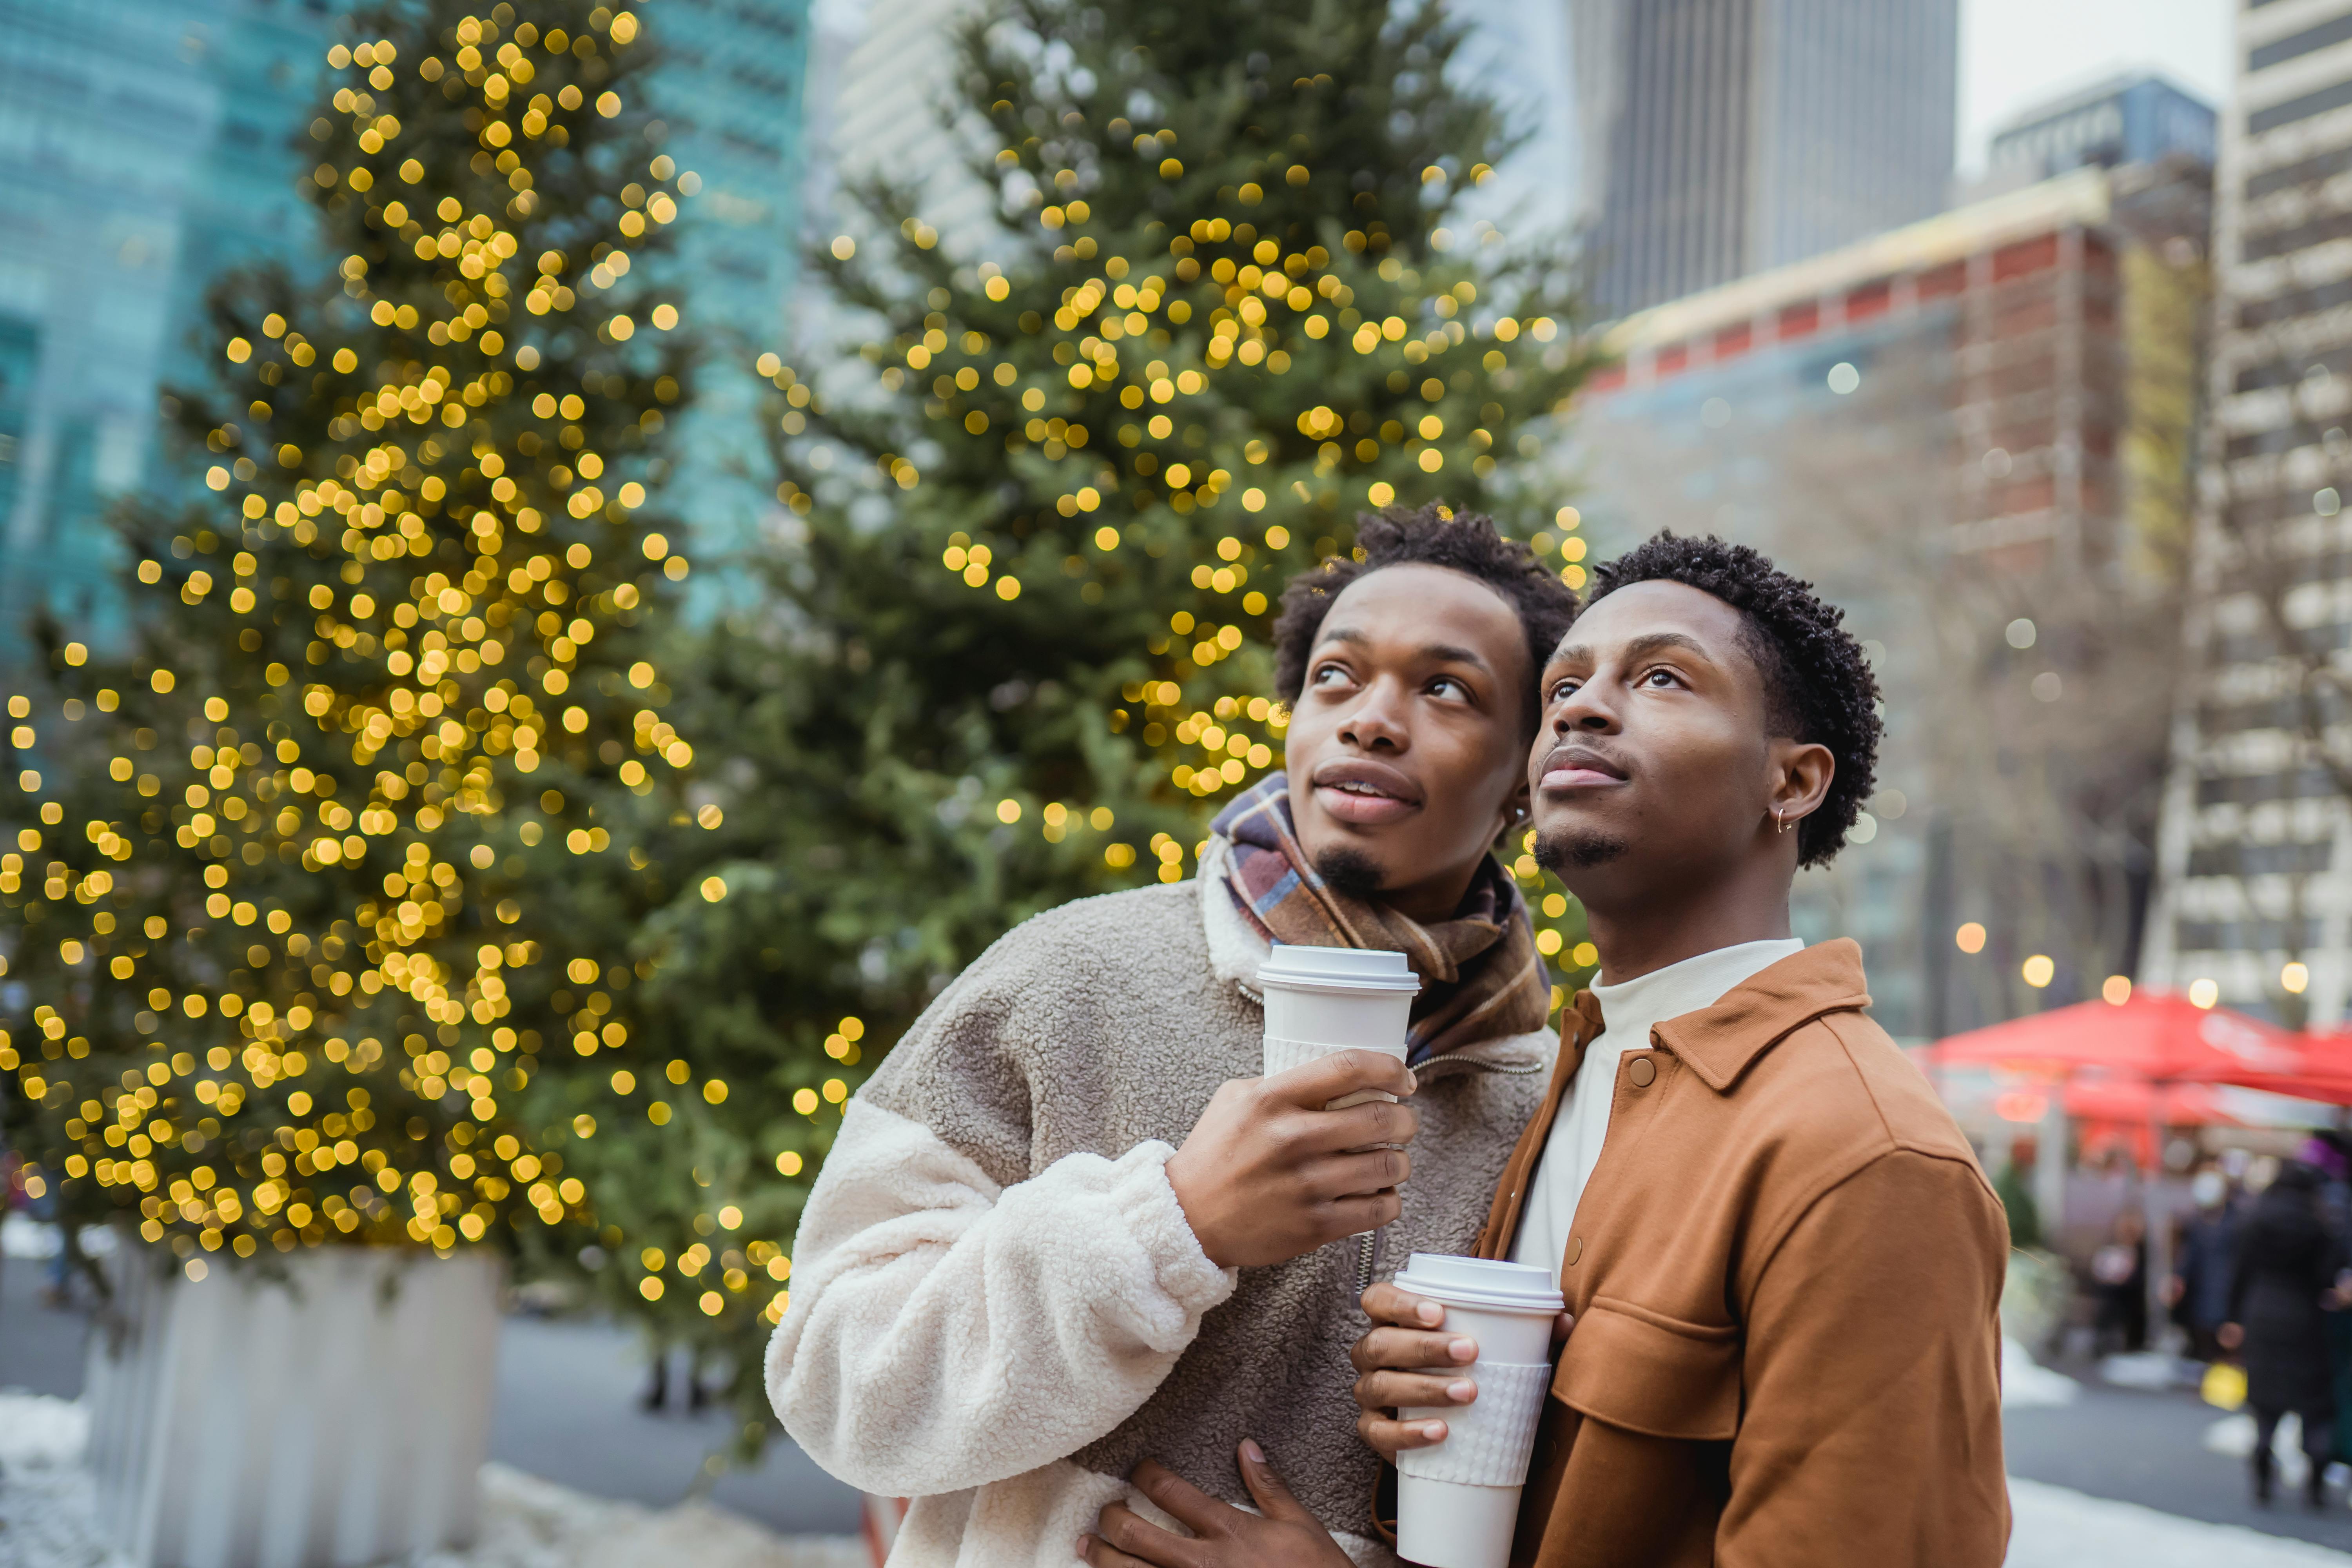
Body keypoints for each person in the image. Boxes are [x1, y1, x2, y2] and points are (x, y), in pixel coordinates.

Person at [1081, 534, 2010, 1568]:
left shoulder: (1868, 1158)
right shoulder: (1561, 1075)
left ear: (1791, 783)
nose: (1581, 706)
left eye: (1662, 677)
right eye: (1566, 683)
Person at [768, 506, 1576, 1563]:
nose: (1372, 719)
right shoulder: (1069, 975)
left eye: (1446, 689)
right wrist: (1173, 1227)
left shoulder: (1555, 1098)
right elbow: (837, 1381)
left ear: (1526, 771)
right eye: (1337, 676)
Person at [2222, 1160, 2348, 1508]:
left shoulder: (2254, 1219)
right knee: (2316, 1406)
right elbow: (2329, 1278)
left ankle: (2263, 1460)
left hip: (2261, 1316)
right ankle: (2316, 1481)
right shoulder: (2320, 1225)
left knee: (2265, 1403)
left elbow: (2238, 1272)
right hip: (2306, 1321)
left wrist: (2232, 1320)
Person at [2170, 1164, 2239, 1362]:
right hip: (2201, 1299)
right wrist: (2179, 1277)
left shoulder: (2236, 1224)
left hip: (2225, 1299)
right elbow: (2190, 1256)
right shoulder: (2198, 1223)